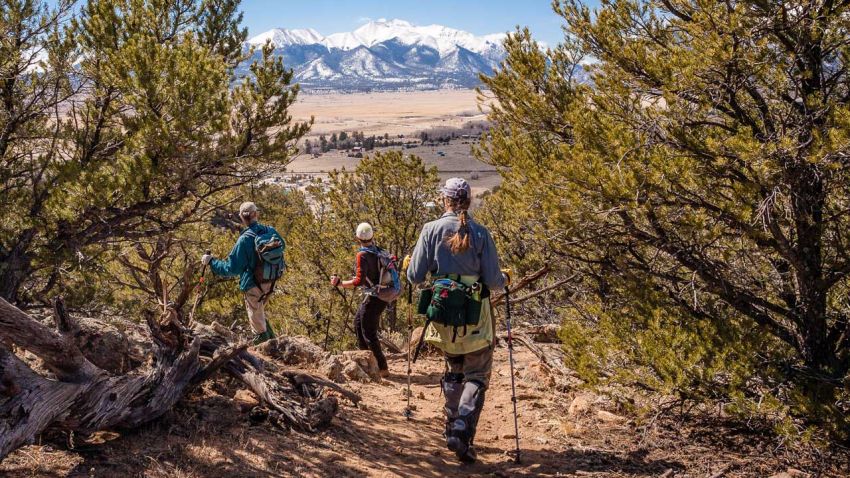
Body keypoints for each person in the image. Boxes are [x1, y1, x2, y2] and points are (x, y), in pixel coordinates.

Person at [407, 177, 509, 463]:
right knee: (477, 374)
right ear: (469, 201)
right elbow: (493, 280)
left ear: (445, 200)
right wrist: (505, 278)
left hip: (443, 317)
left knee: (454, 368)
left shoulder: (431, 230)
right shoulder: (480, 232)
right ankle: (464, 424)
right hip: (476, 315)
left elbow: (414, 276)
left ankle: (452, 425)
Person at [202, 202, 281, 344]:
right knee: (260, 313)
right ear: (256, 214)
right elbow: (283, 246)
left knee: (258, 328)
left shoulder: (244, 239)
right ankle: (274, 342)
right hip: (271, 280)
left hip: (253, 285)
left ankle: (265, 350)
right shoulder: (271, 231)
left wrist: (211, 262)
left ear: (241, 217)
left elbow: (230, 269)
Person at [331, 222, 391, 378]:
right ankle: (366, 361)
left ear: (357, 238)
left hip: (375, 295)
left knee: (368, 331)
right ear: (372, 236)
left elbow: (358, 280)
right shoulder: (378, 251)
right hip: (382, 293)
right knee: (359, 322)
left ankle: (381, 366)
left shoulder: (362, 255)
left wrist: (340, 283)